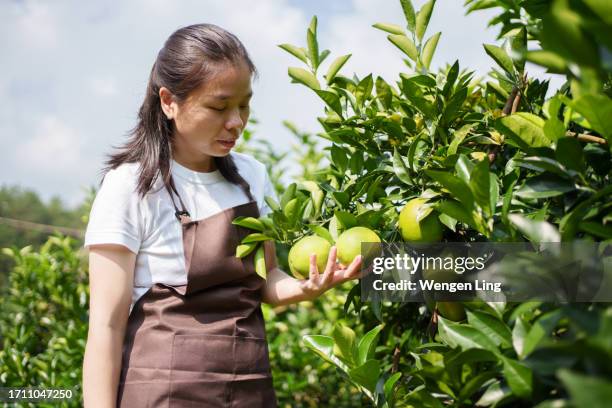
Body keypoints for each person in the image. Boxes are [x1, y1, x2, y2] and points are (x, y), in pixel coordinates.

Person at [81, 23, 363, 407]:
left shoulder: (250, 177)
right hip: (162, 393)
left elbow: (267, 281)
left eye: (244, 105)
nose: (236, 122)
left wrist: (309, 287)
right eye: (219, 106)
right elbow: (106, 326)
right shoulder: (130, 186)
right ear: (169, 101)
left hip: (247, 389)